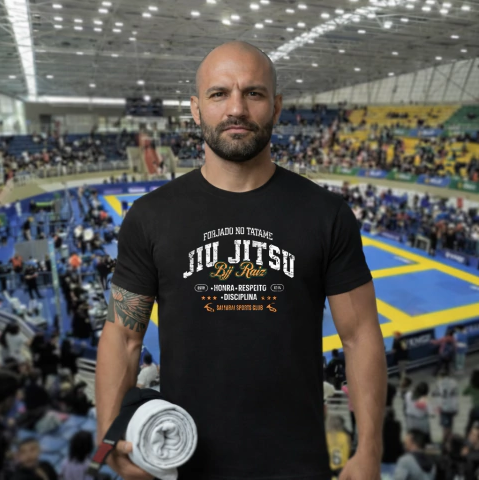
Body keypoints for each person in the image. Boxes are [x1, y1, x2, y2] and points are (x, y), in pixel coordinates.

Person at [96, 41, 387, 480]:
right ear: (196, 109)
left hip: (297, 464)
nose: (236, 108)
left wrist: (369, 450)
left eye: (253, 93)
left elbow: (361, 335)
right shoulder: (150, 217)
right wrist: (108, 439)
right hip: (181, 463)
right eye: (219, 94)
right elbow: (122, 335)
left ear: (277, 107)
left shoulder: (326, 214)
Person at [432, 369, 458, 444]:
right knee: (450, 425)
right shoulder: (454, 383)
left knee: (445, 427)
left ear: (441, 376)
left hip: (444, 408)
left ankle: (444, 443)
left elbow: (436, 394)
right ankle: (450, 441)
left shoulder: (440, 383)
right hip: (452, 408)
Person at [463, 370, 479, 436]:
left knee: (469, 425)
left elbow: (464, 393)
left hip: (475, 409)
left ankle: (466, 436)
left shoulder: (471, 386)